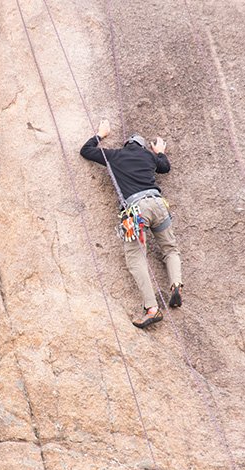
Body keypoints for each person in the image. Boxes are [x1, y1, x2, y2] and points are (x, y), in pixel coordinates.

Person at [80, 119, 183, 329]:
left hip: (136, 210)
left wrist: (101, 134)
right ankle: (176, 285)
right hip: (158, 205)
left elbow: (86, 151)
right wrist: (159, 151)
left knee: (136, 257)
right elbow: (165, 167)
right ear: (144, 147)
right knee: (170, 249)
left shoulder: (115, 156)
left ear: (126, 144)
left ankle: (152, 309)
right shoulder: (149, 157)